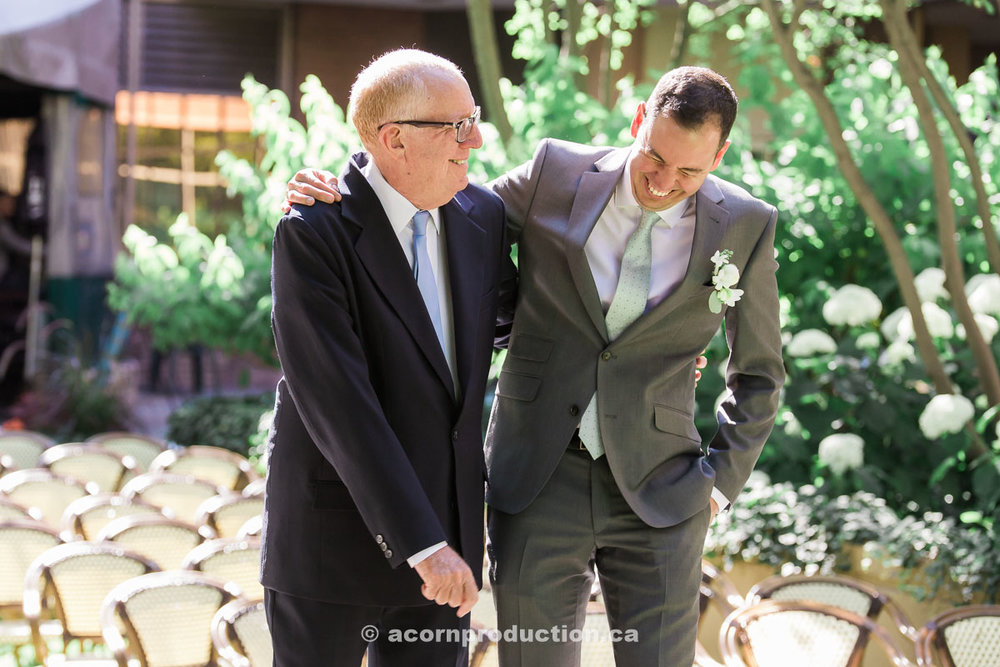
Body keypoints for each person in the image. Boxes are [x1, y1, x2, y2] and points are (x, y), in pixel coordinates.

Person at [286, 65, 784, 666]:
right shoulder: (556, 173)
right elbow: (437, 195)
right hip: (539, 476)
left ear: (721, 155)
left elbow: (759, 372)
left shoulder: (747, 223)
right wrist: (345, 180)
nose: (663, 183)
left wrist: (719, 485)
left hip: (665, 487)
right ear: (637, 123)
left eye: (690, 172)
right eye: (654, 157)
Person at [261, 48, 516, 667]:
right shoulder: (314, 230)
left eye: (473, 118)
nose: (476, 140)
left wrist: (658, 349)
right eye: (457, 126)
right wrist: (420, 543)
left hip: (448, 558)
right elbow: (341, 404)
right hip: (335, 549)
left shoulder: (483, 216)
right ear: (392, 137)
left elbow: (532, 324)